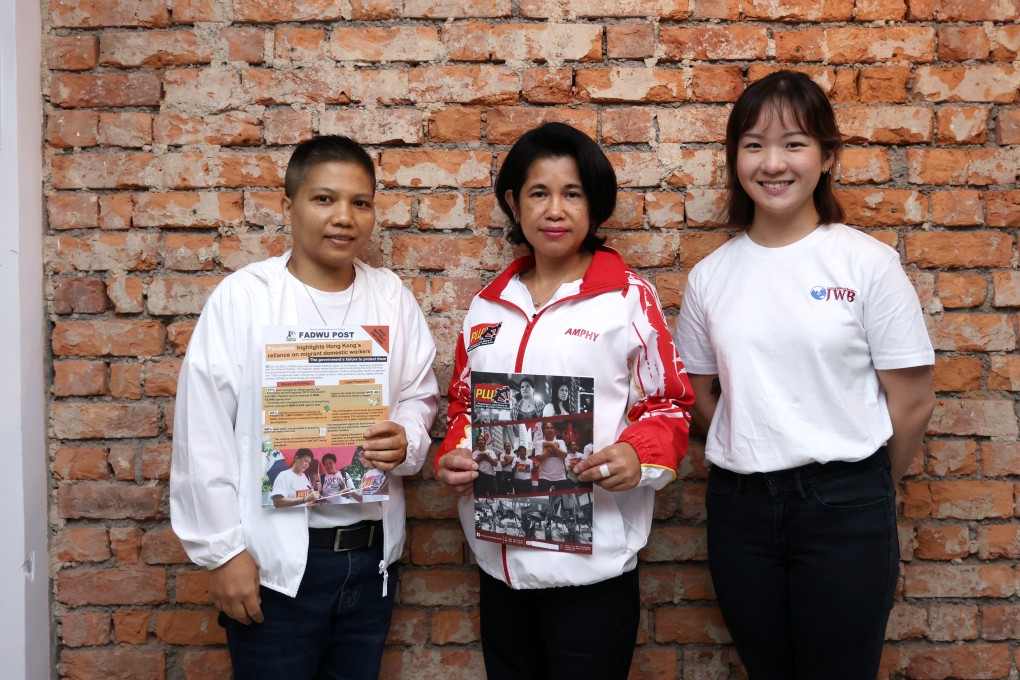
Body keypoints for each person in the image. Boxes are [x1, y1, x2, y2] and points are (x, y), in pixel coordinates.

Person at [674, 70, 936, 680]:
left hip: (845, 508)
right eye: (754, 144)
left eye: (794, 143)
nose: (773, 163)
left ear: (826, 156)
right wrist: (762, 434)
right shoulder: (712, 276)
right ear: (735, 157)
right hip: (741, 513)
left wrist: (859, 482)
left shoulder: (866, 263)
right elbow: (699, 395)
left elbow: (914, 401)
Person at [170, 135, 439, 680]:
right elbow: (203, 432)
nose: (344, 217)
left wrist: (406, 437)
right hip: (274, 566)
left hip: (369, 562)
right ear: (287, 204)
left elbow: (418, 393)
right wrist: (222, 554)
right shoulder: (245, 297)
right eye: (324, 199)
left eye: (360, 203)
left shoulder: (390, 295)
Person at [436, 122, 694, 679]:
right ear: (513, 202)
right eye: (539, 193)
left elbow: (668, 407)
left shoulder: (628, 298)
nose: (556, 209)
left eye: (572, 194)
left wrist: (637, 455)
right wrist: (453, 456)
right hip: (500, 568)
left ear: (594, 204)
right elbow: (464, 409)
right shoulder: (486, 308)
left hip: (591, 575)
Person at [534, 421, 570, 492]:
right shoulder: (539, 443)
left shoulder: (561, 442)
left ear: (554, 430)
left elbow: (563, 456)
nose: (549, 430)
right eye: (547, 428)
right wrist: (549, 449)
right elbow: (540, 459)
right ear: (543, 431)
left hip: (560, 477)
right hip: (544, 477)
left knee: (564, 499)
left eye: (551, 428)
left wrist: (554, 447)